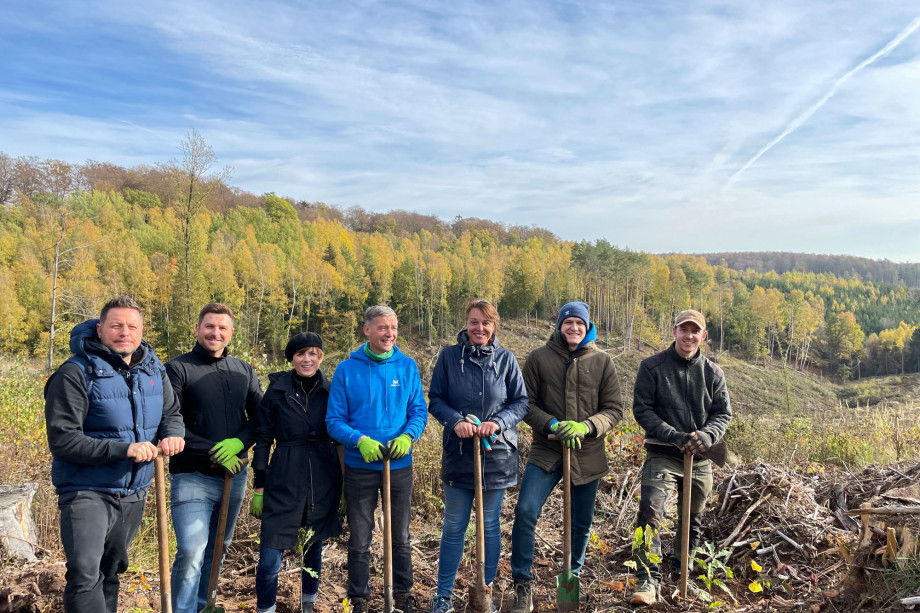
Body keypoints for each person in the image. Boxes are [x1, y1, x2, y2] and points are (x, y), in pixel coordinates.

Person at [44, 295, 185, 613]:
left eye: (132, 326)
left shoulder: (152, 368)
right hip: (86, 490)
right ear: (99, 328)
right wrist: (125, 449)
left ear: (141, 329)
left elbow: (171, 412)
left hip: (134, 493)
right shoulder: (75, 374)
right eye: (116, 325)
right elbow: (63, 441)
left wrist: (174, 433)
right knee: (84, 573)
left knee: (111, 572)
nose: (125, 332)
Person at [510, 301, 624, 613]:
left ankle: (571, 579)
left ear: (588, 327)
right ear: (560, 325)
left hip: (586, 453)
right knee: (525, 511)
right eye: (568, 322)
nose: (574, 328)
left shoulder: (602, 361)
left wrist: (587, 426)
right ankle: (522, 584)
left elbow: (614, 409)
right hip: (546, 451)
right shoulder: (538, 358)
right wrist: (552, 424)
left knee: (582, 523)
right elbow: (525, 403)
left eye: (580, 323)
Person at [428, 299, 529, 613]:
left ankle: (485, 591)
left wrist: (497, 423)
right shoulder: (448, 358)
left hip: (496, 455)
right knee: (454, 525)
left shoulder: (506, 359)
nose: (479, 328)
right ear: (466, 324)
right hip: (459, 453)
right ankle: (443, 597)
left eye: (485, 323)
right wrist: (455, 421)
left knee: (489, 524)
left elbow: (520, 403)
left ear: (494, 326)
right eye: (474, 322)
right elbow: (435, 399)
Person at [326, 305, 428, 613]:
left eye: (394, 328)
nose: (390, 333)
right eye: (383, 328)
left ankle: (403, 594)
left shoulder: (407, 366)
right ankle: (358, 598)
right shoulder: (347, 369)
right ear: (367, 330)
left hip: (399, 466)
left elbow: (418, 411)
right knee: (359, 537)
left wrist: (408, 436)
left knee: (400, 534)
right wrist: (359, 440)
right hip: (360, 468)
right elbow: (334, 420)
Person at [629, 309, 732, 607]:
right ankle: (647, 579)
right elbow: (642, 409)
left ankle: (680, 574)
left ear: (703, 336)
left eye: (694, 330)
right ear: (673, 332)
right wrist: (672, 435)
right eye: (682, 329)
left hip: (700, 460)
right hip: (663, 453)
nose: (688, 335)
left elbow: (722, 413)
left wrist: (707, 436)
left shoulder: (713, 372)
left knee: (693, 519)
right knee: (648, 517)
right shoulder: (652, 367)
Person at [166, 303, 263, 613]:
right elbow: (170, 422)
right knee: (192, 550)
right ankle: (182, 610)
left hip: (233, 476)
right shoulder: (178, 369)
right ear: (197, 329)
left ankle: (203, 605)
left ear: (231, 333)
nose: (215, 333)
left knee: (219, 548)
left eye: (222, 328)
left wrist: (239, 442)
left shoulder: (243, 370)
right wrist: (211, 450)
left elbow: (260, 419)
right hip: (191, 475)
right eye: (209, 326)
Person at [251, 331, 343, 613]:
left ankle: (308, 605)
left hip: (322, 476)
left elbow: (339, 438)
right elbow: (264, 438)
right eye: (301, 354)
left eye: (313, 353)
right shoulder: (276, 391)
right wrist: (259, 486)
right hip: (284, 477)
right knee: (269, 559)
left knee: (313, 548)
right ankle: (265, 608)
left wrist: (345, 487)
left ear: (321, 357)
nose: (307, 359)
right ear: (291, 358)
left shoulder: (331, 391)